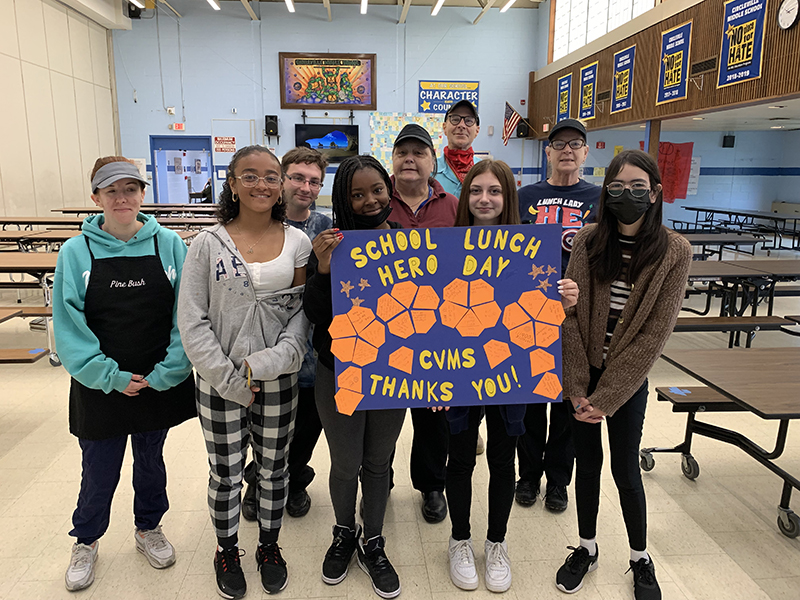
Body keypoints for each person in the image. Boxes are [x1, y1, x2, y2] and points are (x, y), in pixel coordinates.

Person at [53, 157, 196, 592]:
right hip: (100, 386)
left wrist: (170, 370)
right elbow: (68, 325)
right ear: (95, 198)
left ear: (142, 194)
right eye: (111, 191)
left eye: (130, 189)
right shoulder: (76, 252)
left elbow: (186, 314)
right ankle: (87, 540)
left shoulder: (169, 244)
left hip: (157, 380)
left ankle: (148, 528)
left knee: (150, 462)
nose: (122, 198)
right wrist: (109, 375)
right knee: (99, 469)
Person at [555, 150, 691, 600]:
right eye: (617, 188)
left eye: (638, 188)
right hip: (582, 375)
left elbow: (654, 335)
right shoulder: (589, 241)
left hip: (626, 384)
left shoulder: (674, 252)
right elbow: (570, 318)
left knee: (624, 469)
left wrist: (607, 398)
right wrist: (577, 389)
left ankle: (639, 557)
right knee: (587, 466)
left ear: (654, 194)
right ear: (605, 193)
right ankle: (587, 547)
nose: (627, 195)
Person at [177, 145, 311, 599]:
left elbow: (299, 317)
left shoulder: (298, 242)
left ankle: (269, 547)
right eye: (250, 176)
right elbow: (192, 321)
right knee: (226, 473)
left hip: (277, 381)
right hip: (219, 383)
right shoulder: (205, 245)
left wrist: (266, 364)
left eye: (272, 177)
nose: (262, 184)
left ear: (281, 186)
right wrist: (230, 378)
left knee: (274, 471)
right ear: (232, 182)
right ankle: (227, 548)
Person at [445, 160, 579, 593]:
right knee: (462, 459)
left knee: (504, 460)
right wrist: (425, 373)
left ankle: (496, 542)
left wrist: (567, 299)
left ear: (510, 199)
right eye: (477, 190)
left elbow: (545, 312)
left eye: (495, 191)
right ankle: (459, 539)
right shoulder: (442, 248)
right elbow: (427, 321)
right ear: (466, 198)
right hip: (460, 371)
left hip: (511, 373)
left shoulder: (534, 250)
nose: (485, 199)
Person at [304, 155, 405, 599]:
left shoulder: (408, 242)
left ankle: (374, 540)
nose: (369, 201)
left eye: (377, 191)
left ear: (390, 189)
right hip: (339, 370)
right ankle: (345, 532)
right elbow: (315, 317)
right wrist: (325, 269)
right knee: (345, 462)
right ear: (343, 200)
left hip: (394, 373)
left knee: (379, 462)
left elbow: (431, 315)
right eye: (357, 195)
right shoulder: (328, 244)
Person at [241, 147, 332, 521]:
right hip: (266, 352)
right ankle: (257, 484)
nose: (305, 187)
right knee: (263, 431)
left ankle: (295, 482)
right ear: (281, 180)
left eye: (313, 181)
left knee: (306, 431)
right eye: (297, 178)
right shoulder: (259, 225)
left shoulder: (328, 228)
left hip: (312, 356)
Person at [515, 118, 600, 513]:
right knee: (531, 400)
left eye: (575, 144)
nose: (567, 150)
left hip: (575, 316)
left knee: (570, 399)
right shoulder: (524, 196)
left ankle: (558, 481)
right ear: (547, 152)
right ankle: (528, 475)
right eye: (559, 144)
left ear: (586, 152)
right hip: (527, 314)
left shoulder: (599, 199)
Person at [386, 123, 460, 524]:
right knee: (383, 412)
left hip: (439, 329)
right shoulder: (376, 202)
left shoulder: (453, 207)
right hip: (387, 328)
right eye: (402, 152)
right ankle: (379, 481)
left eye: (419, 152)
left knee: (435, 416)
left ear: (434, 161)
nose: (410, 158)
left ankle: (432, 485)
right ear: (393, 160)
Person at [436, 100, 481, 198]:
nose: (461, 125)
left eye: (469, 120)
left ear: (477, 131)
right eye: (455, 119)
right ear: (444, 127)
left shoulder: (485, 170)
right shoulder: (430, 170)